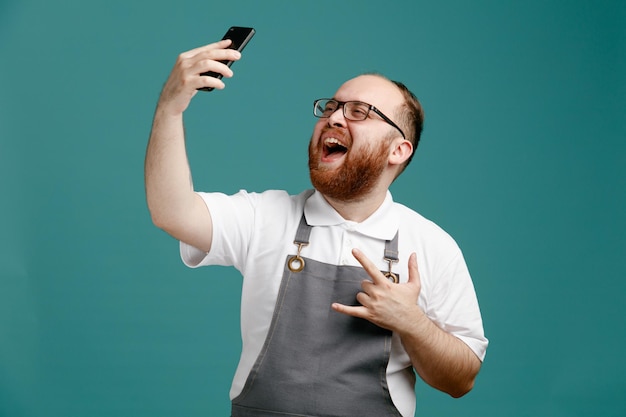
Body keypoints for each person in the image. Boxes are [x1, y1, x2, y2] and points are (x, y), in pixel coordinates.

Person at [145, 38, 488, 417]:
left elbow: (461, 380)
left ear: (398, 150)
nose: (335, 118)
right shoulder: (267, 217)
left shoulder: (430, 246)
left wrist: (413, 323)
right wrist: (170, 107)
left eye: (360, 111)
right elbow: (171, 212)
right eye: (332, 107)